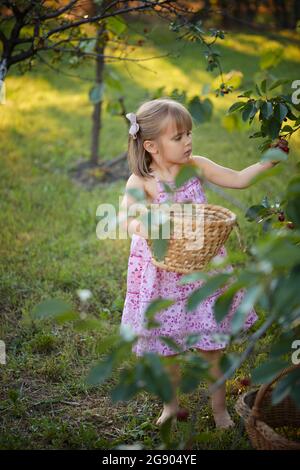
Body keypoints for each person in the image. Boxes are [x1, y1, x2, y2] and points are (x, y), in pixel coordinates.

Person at [119, 97, 279, 429]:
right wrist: (142, 226)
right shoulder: (142, 181)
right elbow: (125, 217)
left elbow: (238, 178)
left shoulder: (197, 166)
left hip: (202, 269)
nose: (189, 141)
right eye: (178, 137)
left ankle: (219, 410)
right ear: (151, 146)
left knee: (212, 348)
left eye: (189, 133)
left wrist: (268, 162)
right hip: (162, 274)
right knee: (167, 350)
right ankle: (170, 406)